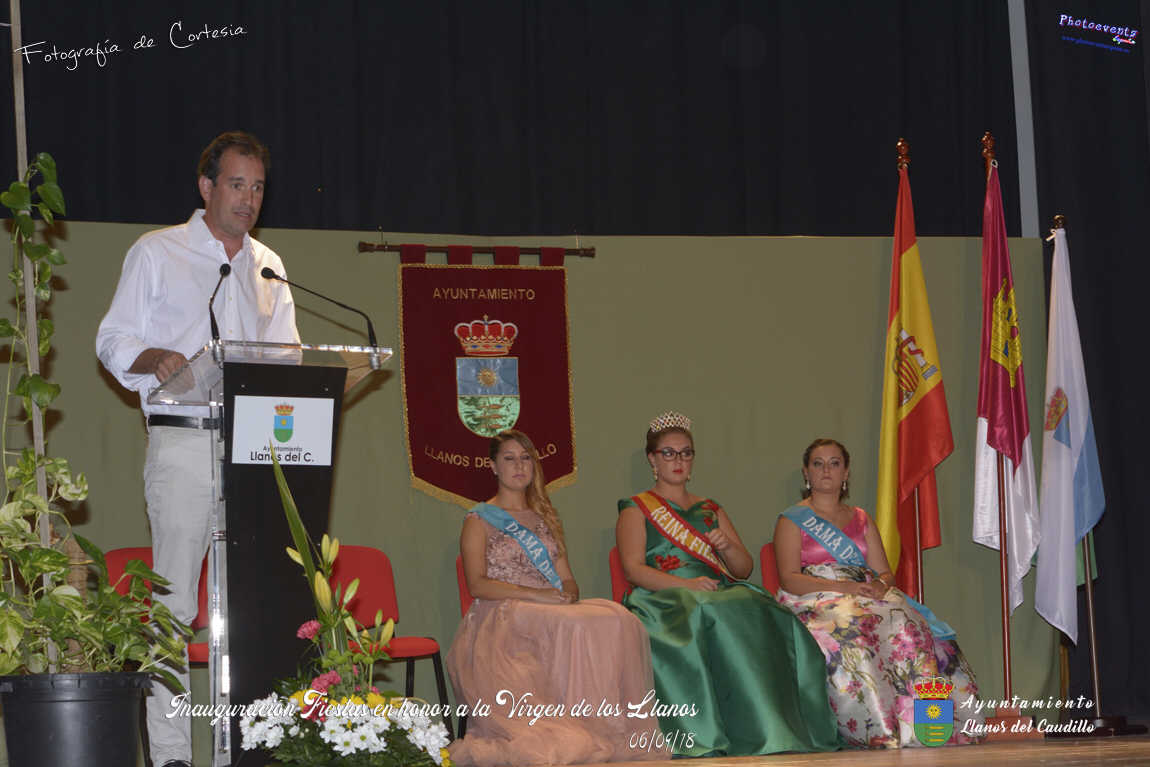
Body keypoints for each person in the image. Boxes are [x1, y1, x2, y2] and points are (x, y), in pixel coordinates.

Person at [96, 131, 298, 767]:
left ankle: (248, 748)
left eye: (258, 187)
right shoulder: (158, 252)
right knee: (175, 606)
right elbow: (112, 338)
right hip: (184, 442)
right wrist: (152, 357)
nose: (249, 199)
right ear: (206, 187)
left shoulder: (268, 265)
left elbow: (289, 357)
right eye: (236, 185)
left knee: (252, 606)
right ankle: (173, 756)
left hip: (252, 454)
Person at [615, 412, 840, 757]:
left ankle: (772, 727)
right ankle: (713, 733)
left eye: (686, 453)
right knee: (708, 609)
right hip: (664, 597)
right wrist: (685, 586)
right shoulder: (637, 508)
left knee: (760, 609)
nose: (678, 461)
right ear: (652, 459)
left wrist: (727, 547)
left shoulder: (710, 508)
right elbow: (632, 569)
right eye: (668, 453)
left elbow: (744, 568)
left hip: (715, 590)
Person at [447, 430, 659, 766]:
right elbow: (477, 585)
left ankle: (602, 724)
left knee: (615, 617)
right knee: (569, 623)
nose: (519, 465)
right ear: (493, 467)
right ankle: (575, 726)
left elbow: (567, 576)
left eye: (526, 458)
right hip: (501, 613)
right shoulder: (478, 519)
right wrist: (537, 595)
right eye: (509, 458)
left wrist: (568, 593)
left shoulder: (545, 516)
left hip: (547, 606)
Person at [773, 438, 982, 748]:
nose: (826, 470)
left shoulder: (860, 518)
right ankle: (879, 728)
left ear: (846, 473)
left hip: (867, 594)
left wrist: (880, 586)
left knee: (910, 624)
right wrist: (846, 588)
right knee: (857, 626)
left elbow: (884, 572)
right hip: (815, 597)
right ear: (807, 473)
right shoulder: (791, 520)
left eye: (835, 463)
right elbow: (789, 579)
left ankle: (928, 725)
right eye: (818, 463)